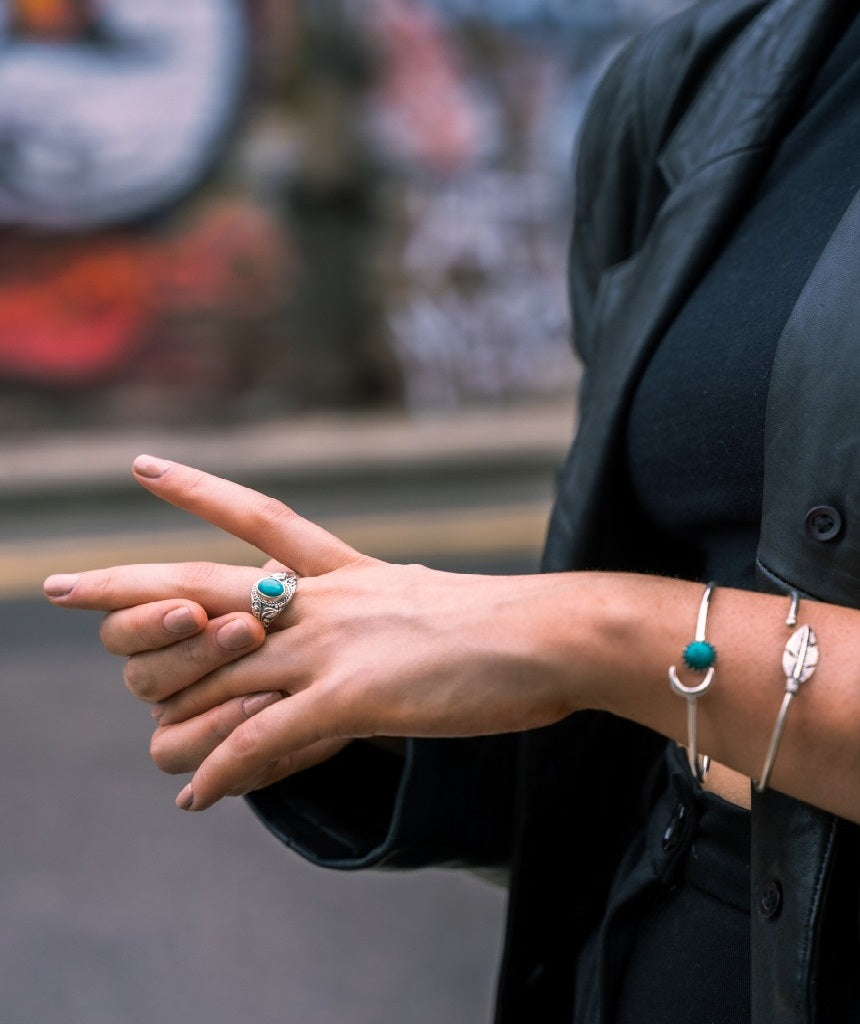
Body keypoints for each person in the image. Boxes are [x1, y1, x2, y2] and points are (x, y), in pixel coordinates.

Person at [43, 0, 860, 1020]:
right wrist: (376, 691)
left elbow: (624, 648)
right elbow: (660, 718)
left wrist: (584, 635)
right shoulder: (716, 75)